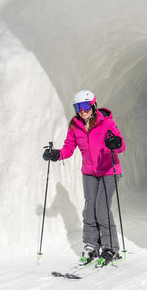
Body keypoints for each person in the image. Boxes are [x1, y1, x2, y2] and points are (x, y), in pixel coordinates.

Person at [42, 90, 126, 266]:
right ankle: (91, 245)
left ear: (93, 105)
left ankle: (111, 248)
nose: (82, 110)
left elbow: (120, 145)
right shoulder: (75, 126)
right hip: (89, 173)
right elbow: (68, 148)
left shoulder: (107, 122)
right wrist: (56, 154)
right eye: (78, 107)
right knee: (89, 209)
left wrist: (115, 144)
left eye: (85, 106)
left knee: (101, 208)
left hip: (109, 171)